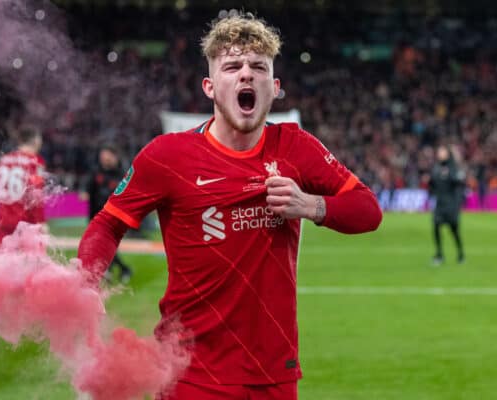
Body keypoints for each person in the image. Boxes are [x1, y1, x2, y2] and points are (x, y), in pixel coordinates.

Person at [78, 13, 382, 400]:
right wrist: (87, 280)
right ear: (209, 86)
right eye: (232, 66)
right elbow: (108, 224)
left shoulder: (296, 146)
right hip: (190, 373)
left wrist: (312, 205)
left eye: (258, 67)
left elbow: (368, 209)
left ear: (274, 87)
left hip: (274, 372)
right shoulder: (168, 155)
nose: (246, 75)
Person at [79, 145, 133, 284]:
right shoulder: (96, 172)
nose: (104, 159)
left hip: (114, 216)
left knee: (103, 244)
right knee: (102, 245)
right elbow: (86, 186)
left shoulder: (122, 174)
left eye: (107, 156)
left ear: (115, 157)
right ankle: (116, 270)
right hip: (96, 215)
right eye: (103, 156)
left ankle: (108, 271)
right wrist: (84, 192)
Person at [0, 126, 46, 247]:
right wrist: (40, 221)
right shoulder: (35, 161)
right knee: (33, 263)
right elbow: (36, 195)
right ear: (36, 141)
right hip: (25, 220)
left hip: (3, 219)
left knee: (2, 263)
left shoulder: (4, 159)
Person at [429, 145, 466, 265]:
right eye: (439, 151)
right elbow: (433, 184)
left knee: (454, 231)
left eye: (442, 151)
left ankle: (461, 254)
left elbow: (458, 181)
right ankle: (439, 254)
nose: (440, 153)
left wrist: (449, 175)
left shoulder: (453, 167)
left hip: (451, 205)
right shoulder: (436, 168)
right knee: (435, 226)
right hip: (440, 204)